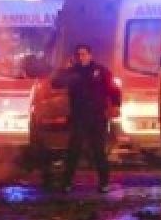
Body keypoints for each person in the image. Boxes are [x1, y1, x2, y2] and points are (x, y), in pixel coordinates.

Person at [52, 43, 121, 193]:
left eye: (83, 54)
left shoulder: (100, 71)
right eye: (78, 54)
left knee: (98, 151)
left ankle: (104, 183)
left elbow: (114, 90)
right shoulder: (72, 72)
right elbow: (55, 84)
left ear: (90, 55)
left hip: (97, 116)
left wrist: (116, 105)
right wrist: (63, 69)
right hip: (79, 116)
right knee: (73, 150)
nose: (81, 57)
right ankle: (67, 183)